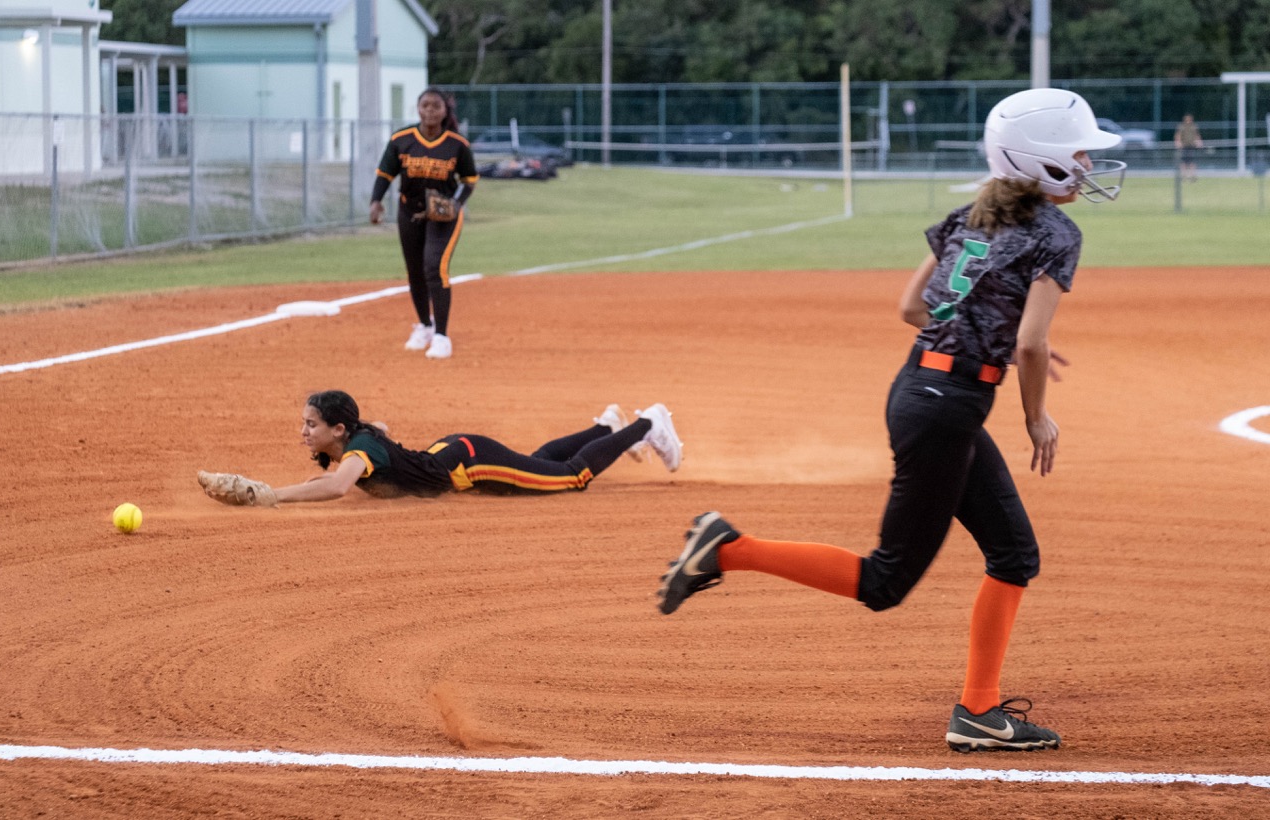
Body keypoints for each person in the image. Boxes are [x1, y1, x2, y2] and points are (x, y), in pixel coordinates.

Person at [655, 88, 1127, 753]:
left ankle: (979, 712)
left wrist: (983, 337)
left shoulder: (970, 214)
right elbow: (1029, 343)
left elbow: (914, 306)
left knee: (1014, 553)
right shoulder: (1057, 233)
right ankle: (729, 548)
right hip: (946, 410)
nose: (1086, 164)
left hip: (922, 391)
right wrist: (1035, 417)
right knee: (885, 582)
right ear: (1041, 159)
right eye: (1078, 152)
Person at [198, 390, 681, 506]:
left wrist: (272, 496)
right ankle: (604, 427)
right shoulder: (358, 443)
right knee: (542, 462)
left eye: (311, 425)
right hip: (455, 454)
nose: (303, 432)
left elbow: (341, 486)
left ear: (339, 428)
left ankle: (646, 423)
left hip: (468, 461)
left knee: (570, 476)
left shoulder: (359, 449)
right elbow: (342, 469)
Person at [370, 88, 479, 360]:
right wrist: (376, 201)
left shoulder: (456, 145)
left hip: (443, 215)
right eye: (425, 105)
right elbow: (385, 174)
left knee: (434, 267)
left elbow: (469, 181)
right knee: (415, 271)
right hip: (410, 212)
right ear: (417, 108)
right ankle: (425, 326)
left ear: (445, 111)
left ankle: (442, 336)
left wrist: (456, 203)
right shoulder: (401, 140)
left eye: (436, 106)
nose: (430, 110)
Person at [1173, 114, 1203, 182]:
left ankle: (1192, 176)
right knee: (1184, 162)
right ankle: (1184, 176)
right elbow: (1178, 135)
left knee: (1192, 161)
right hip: (1184, 146)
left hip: (1191, 146)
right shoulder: (1181, 126)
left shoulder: (1193, 126)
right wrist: (1178, 143)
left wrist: (1199, 142)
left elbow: (1196, 135)